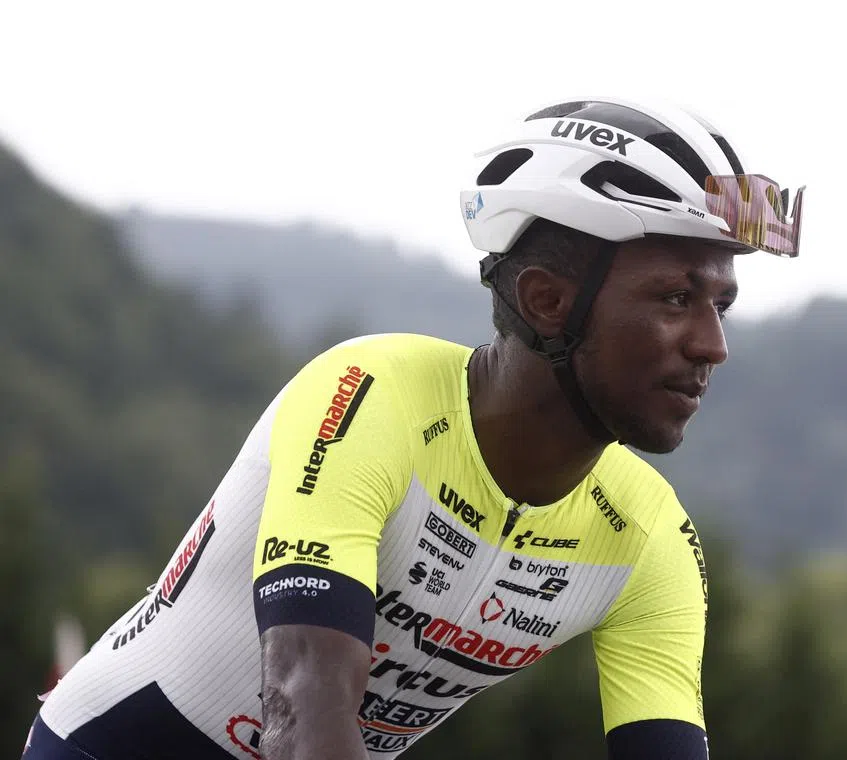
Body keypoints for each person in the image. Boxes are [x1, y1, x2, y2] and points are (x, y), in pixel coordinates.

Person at [23, 96, 803, 760]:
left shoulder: (650, 535)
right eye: (676, 299)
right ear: (546, 300)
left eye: (721, 306)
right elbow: (302, 706)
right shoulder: (371, 397)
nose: (713, 346)